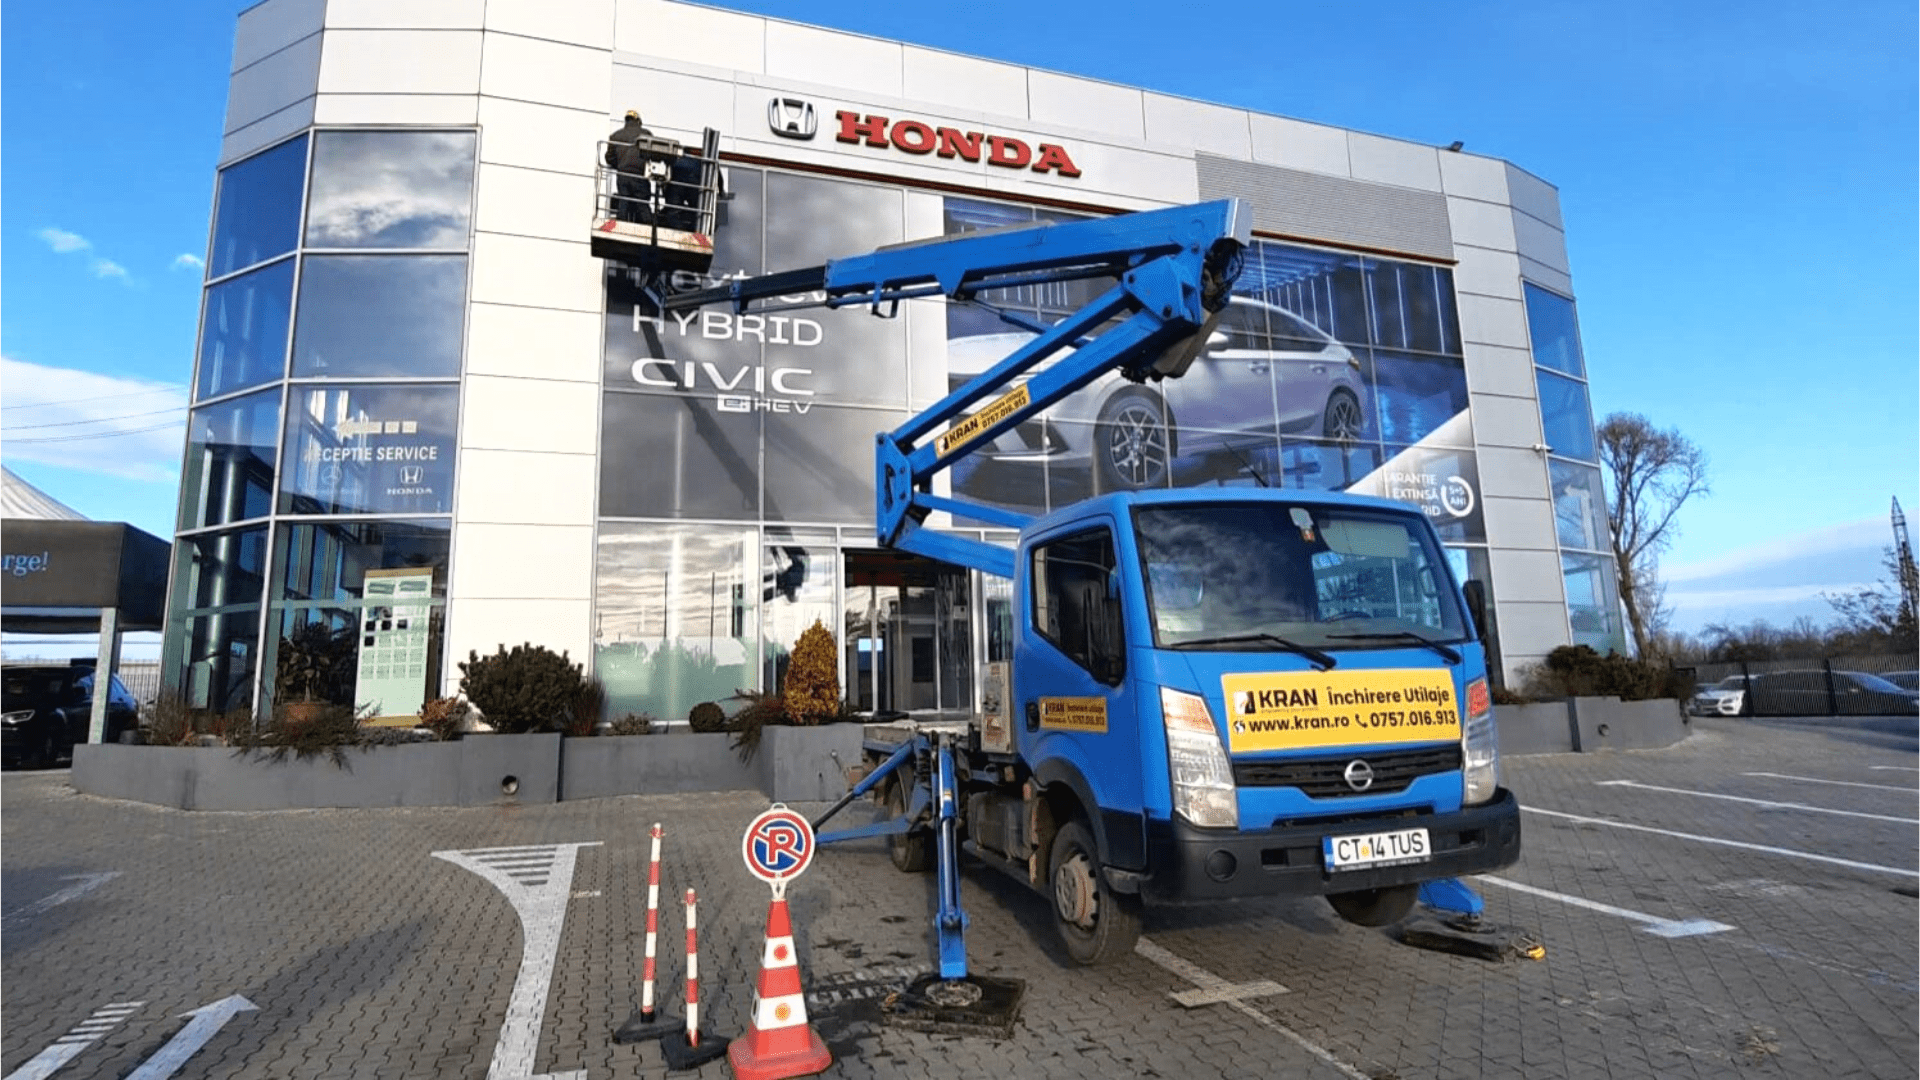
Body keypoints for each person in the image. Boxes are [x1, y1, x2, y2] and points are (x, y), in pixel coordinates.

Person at [606, 109, 654, 223]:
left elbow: (609, 158)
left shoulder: (615, 136)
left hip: (623, 173)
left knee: (623, 201)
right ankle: (648, 228)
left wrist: (620, 165)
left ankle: (619, 226)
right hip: (639, 174)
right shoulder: (646, 134)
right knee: (642, 204)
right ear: (638, 121)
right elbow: (653, 154)